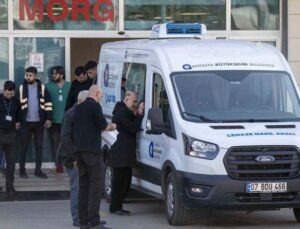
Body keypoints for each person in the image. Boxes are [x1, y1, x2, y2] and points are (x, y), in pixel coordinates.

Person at [73, 85, 116, 229]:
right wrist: (113, 126)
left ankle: (83, 221)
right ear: (96, 94)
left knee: (83, 187)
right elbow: (103, 126)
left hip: (80, 152)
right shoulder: (95, 106)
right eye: (101, 96)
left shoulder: (78, 108)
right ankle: (94, 221)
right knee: (96, 187)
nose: (101, 98)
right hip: (93, 152)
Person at [109, 91, 144, 215]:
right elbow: (133, 128)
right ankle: (115, 207)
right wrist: (139, 115)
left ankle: (117, 206)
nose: (135, 104)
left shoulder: (124, 112)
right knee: (120, 183)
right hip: (121, 154)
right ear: (126, 99)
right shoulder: (122, 113)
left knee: (124, 181)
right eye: (134, 101)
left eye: (136, 101)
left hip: (123, 154)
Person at [59, 90, 88, 227]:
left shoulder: (83, 114)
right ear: (81, 101)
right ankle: (77, 219)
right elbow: (65, 139)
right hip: (73, 159)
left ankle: (86, 217)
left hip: (83, 157)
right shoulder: (71, 115)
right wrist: (75, 157)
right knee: (77, 188)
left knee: (84, 188)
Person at [18, 66, 52, 179]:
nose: (28, 77)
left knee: (39, 147)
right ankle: (22, 171)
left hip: (39, 123)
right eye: (26, 75)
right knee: (23, 147)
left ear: (35, 76)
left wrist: (48, 118)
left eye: (30, 75)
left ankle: (38, 171)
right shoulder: (21, 87)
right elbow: (17, 106)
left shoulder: (42, 87)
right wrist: (17, 120)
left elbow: (48, 103)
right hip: (25, 122)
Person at [46, 66, 71, 173]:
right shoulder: (48, 86)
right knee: (57, 143)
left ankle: (68, 162)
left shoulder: (70, 86)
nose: (53, 76)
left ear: (61, 75)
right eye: (52, 74)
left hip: (68, 120)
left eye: (56, 74)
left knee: (66, 142)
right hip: (54, 120)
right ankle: (59, 164)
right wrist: (47, 118)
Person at [0, 81, 21, 196]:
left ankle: (10, 187)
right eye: (8, 94)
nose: (10, 96)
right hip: (0, 133)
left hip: (12, 135)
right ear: (4, 90)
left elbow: (18, 114)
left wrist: (17, 121)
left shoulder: (16, 101)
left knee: (11, 163)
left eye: (11, 94)